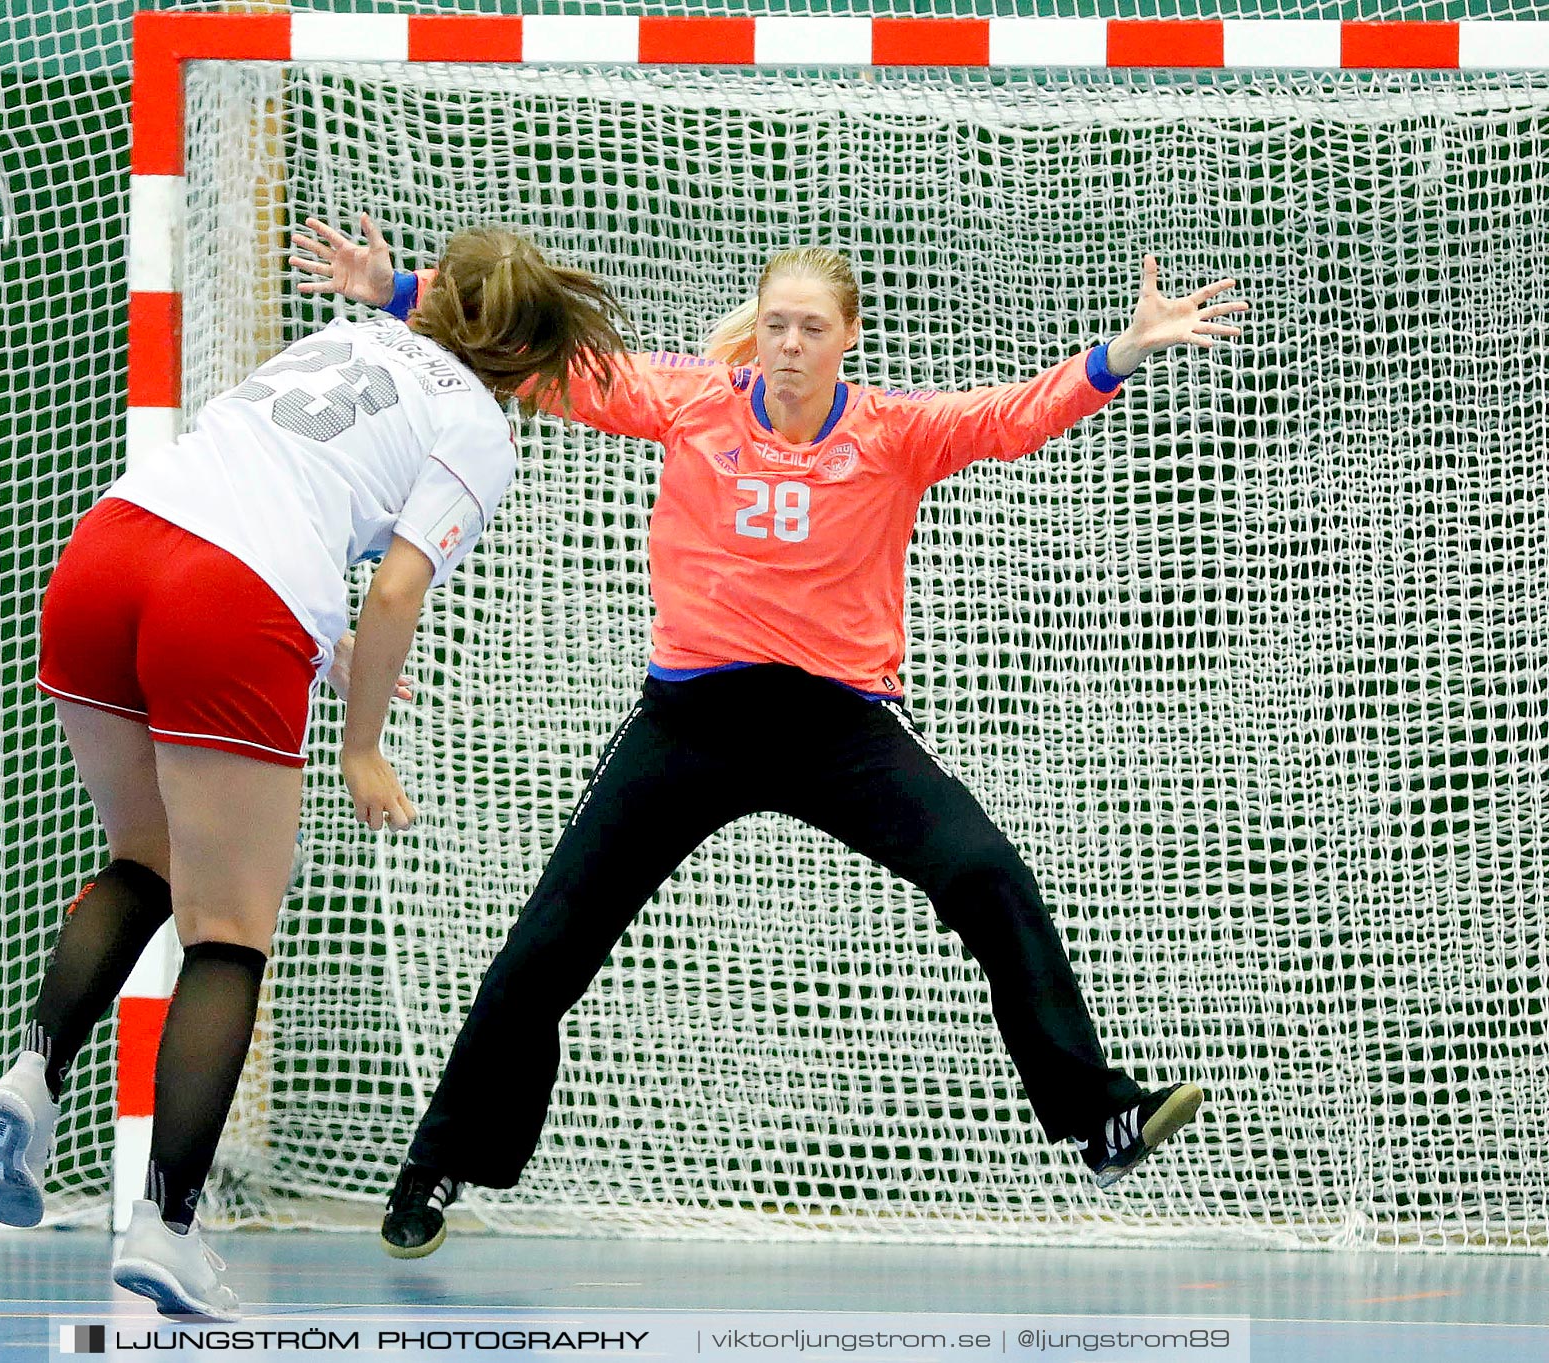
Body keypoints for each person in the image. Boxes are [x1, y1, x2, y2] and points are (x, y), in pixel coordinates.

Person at [309, 223, 1248, 1259]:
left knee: (985, 874)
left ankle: (1100, 1118)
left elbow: (1009, 419)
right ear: (754, 335)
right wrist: (397, 288)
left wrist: (1119, 353)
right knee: (549, 943)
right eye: (774, 325)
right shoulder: (694, 403)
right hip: (690, 720)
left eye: (810, 327)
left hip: (838, 726)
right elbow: (546, 362)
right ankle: (438, 1162)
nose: (789, 343)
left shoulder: (892, 433)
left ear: (847, 336)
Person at [0, 217, 628, 1317]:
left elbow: (287, 497)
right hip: (229, 596)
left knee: (148, 858)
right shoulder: (481, 427)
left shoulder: (340, 339)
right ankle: (166, 1226)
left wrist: (325, 640)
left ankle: (33, 1076)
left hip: (110, 553)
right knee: (230, 930)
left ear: (434, 302)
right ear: (525, 364)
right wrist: (362, 742)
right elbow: (397, 589)